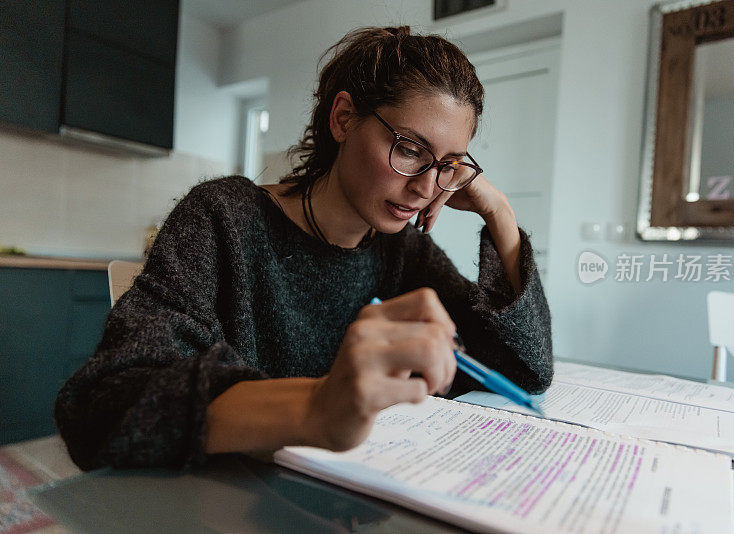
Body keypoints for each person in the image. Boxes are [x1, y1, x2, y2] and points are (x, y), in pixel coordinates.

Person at [54, 25, 553, 471]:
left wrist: (500, 215)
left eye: (448, 164)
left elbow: (526, 369)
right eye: (409, 150)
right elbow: (102, 408)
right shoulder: (224, 218)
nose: (426, 187)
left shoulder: (402, 253)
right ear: (343, 118)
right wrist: (316, 407)